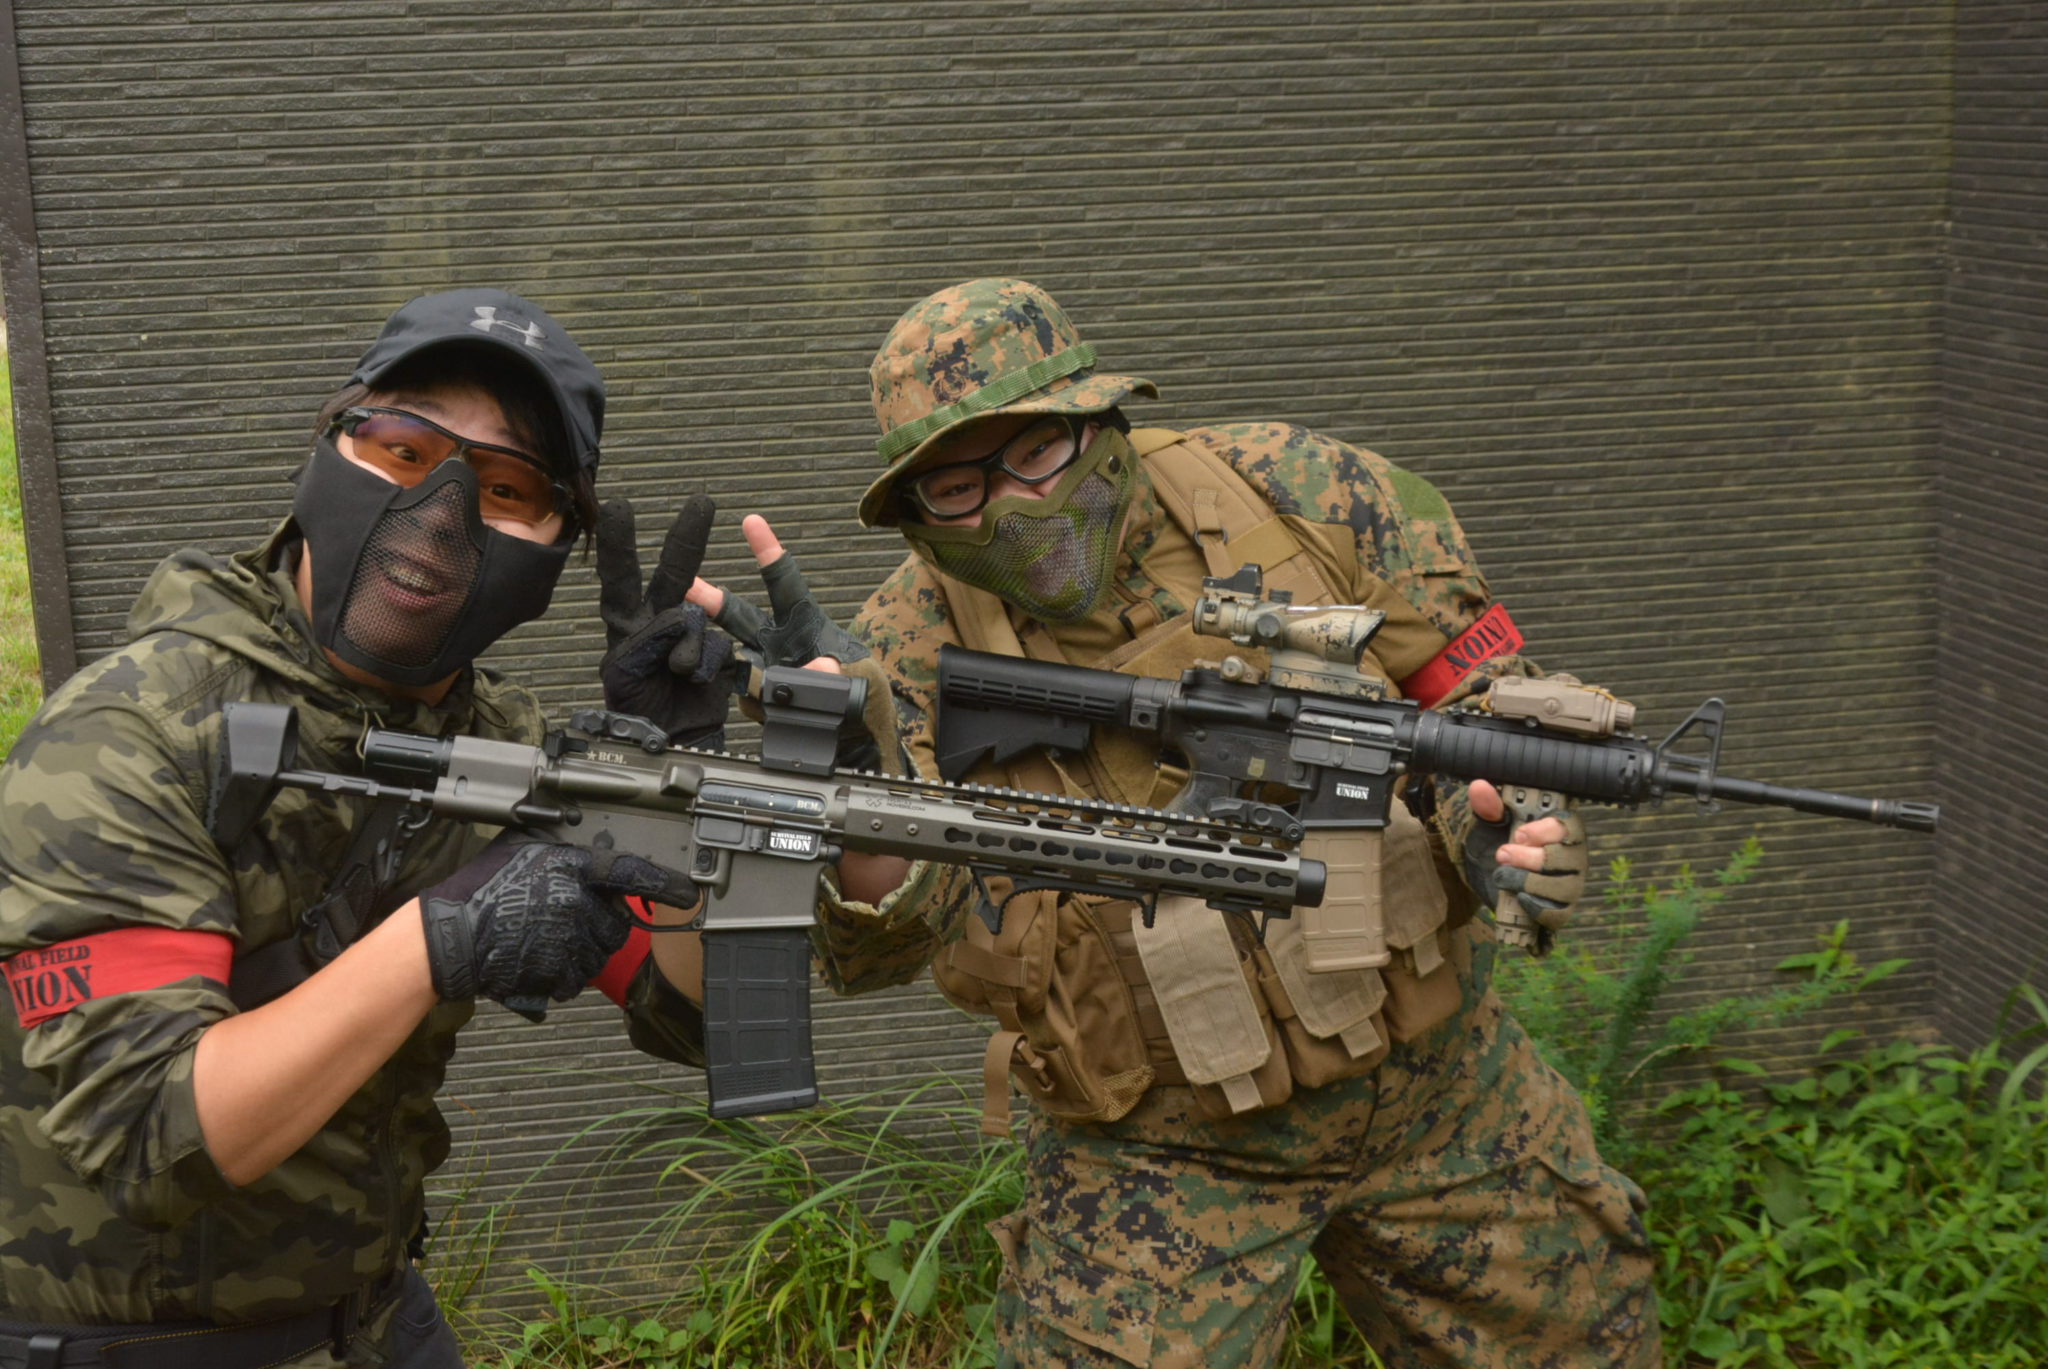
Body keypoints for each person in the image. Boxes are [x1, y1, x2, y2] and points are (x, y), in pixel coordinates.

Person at [693, 278, 1658, 1368]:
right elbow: (877, 949)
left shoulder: (1301, 488)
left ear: (1102, 420)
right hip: (1154, 1157)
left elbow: (1470, 697)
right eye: (959, 487)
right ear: (915, 512)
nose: (1014, 510)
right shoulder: (901, 652)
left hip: (1442, 1087)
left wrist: (1497, 829)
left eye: (1036, 452)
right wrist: (847, 763)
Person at [0, 289, 722, 1368]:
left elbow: (684, 1009)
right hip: (135, 1344)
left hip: (374, 1320)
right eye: (402, 449)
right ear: (327, 448)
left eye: (506, 488)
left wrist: (674, 800)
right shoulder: (131, 732)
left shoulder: (502, 743)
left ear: (560, 545)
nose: (438, 512)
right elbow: (153, 1134)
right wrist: (438, 940)